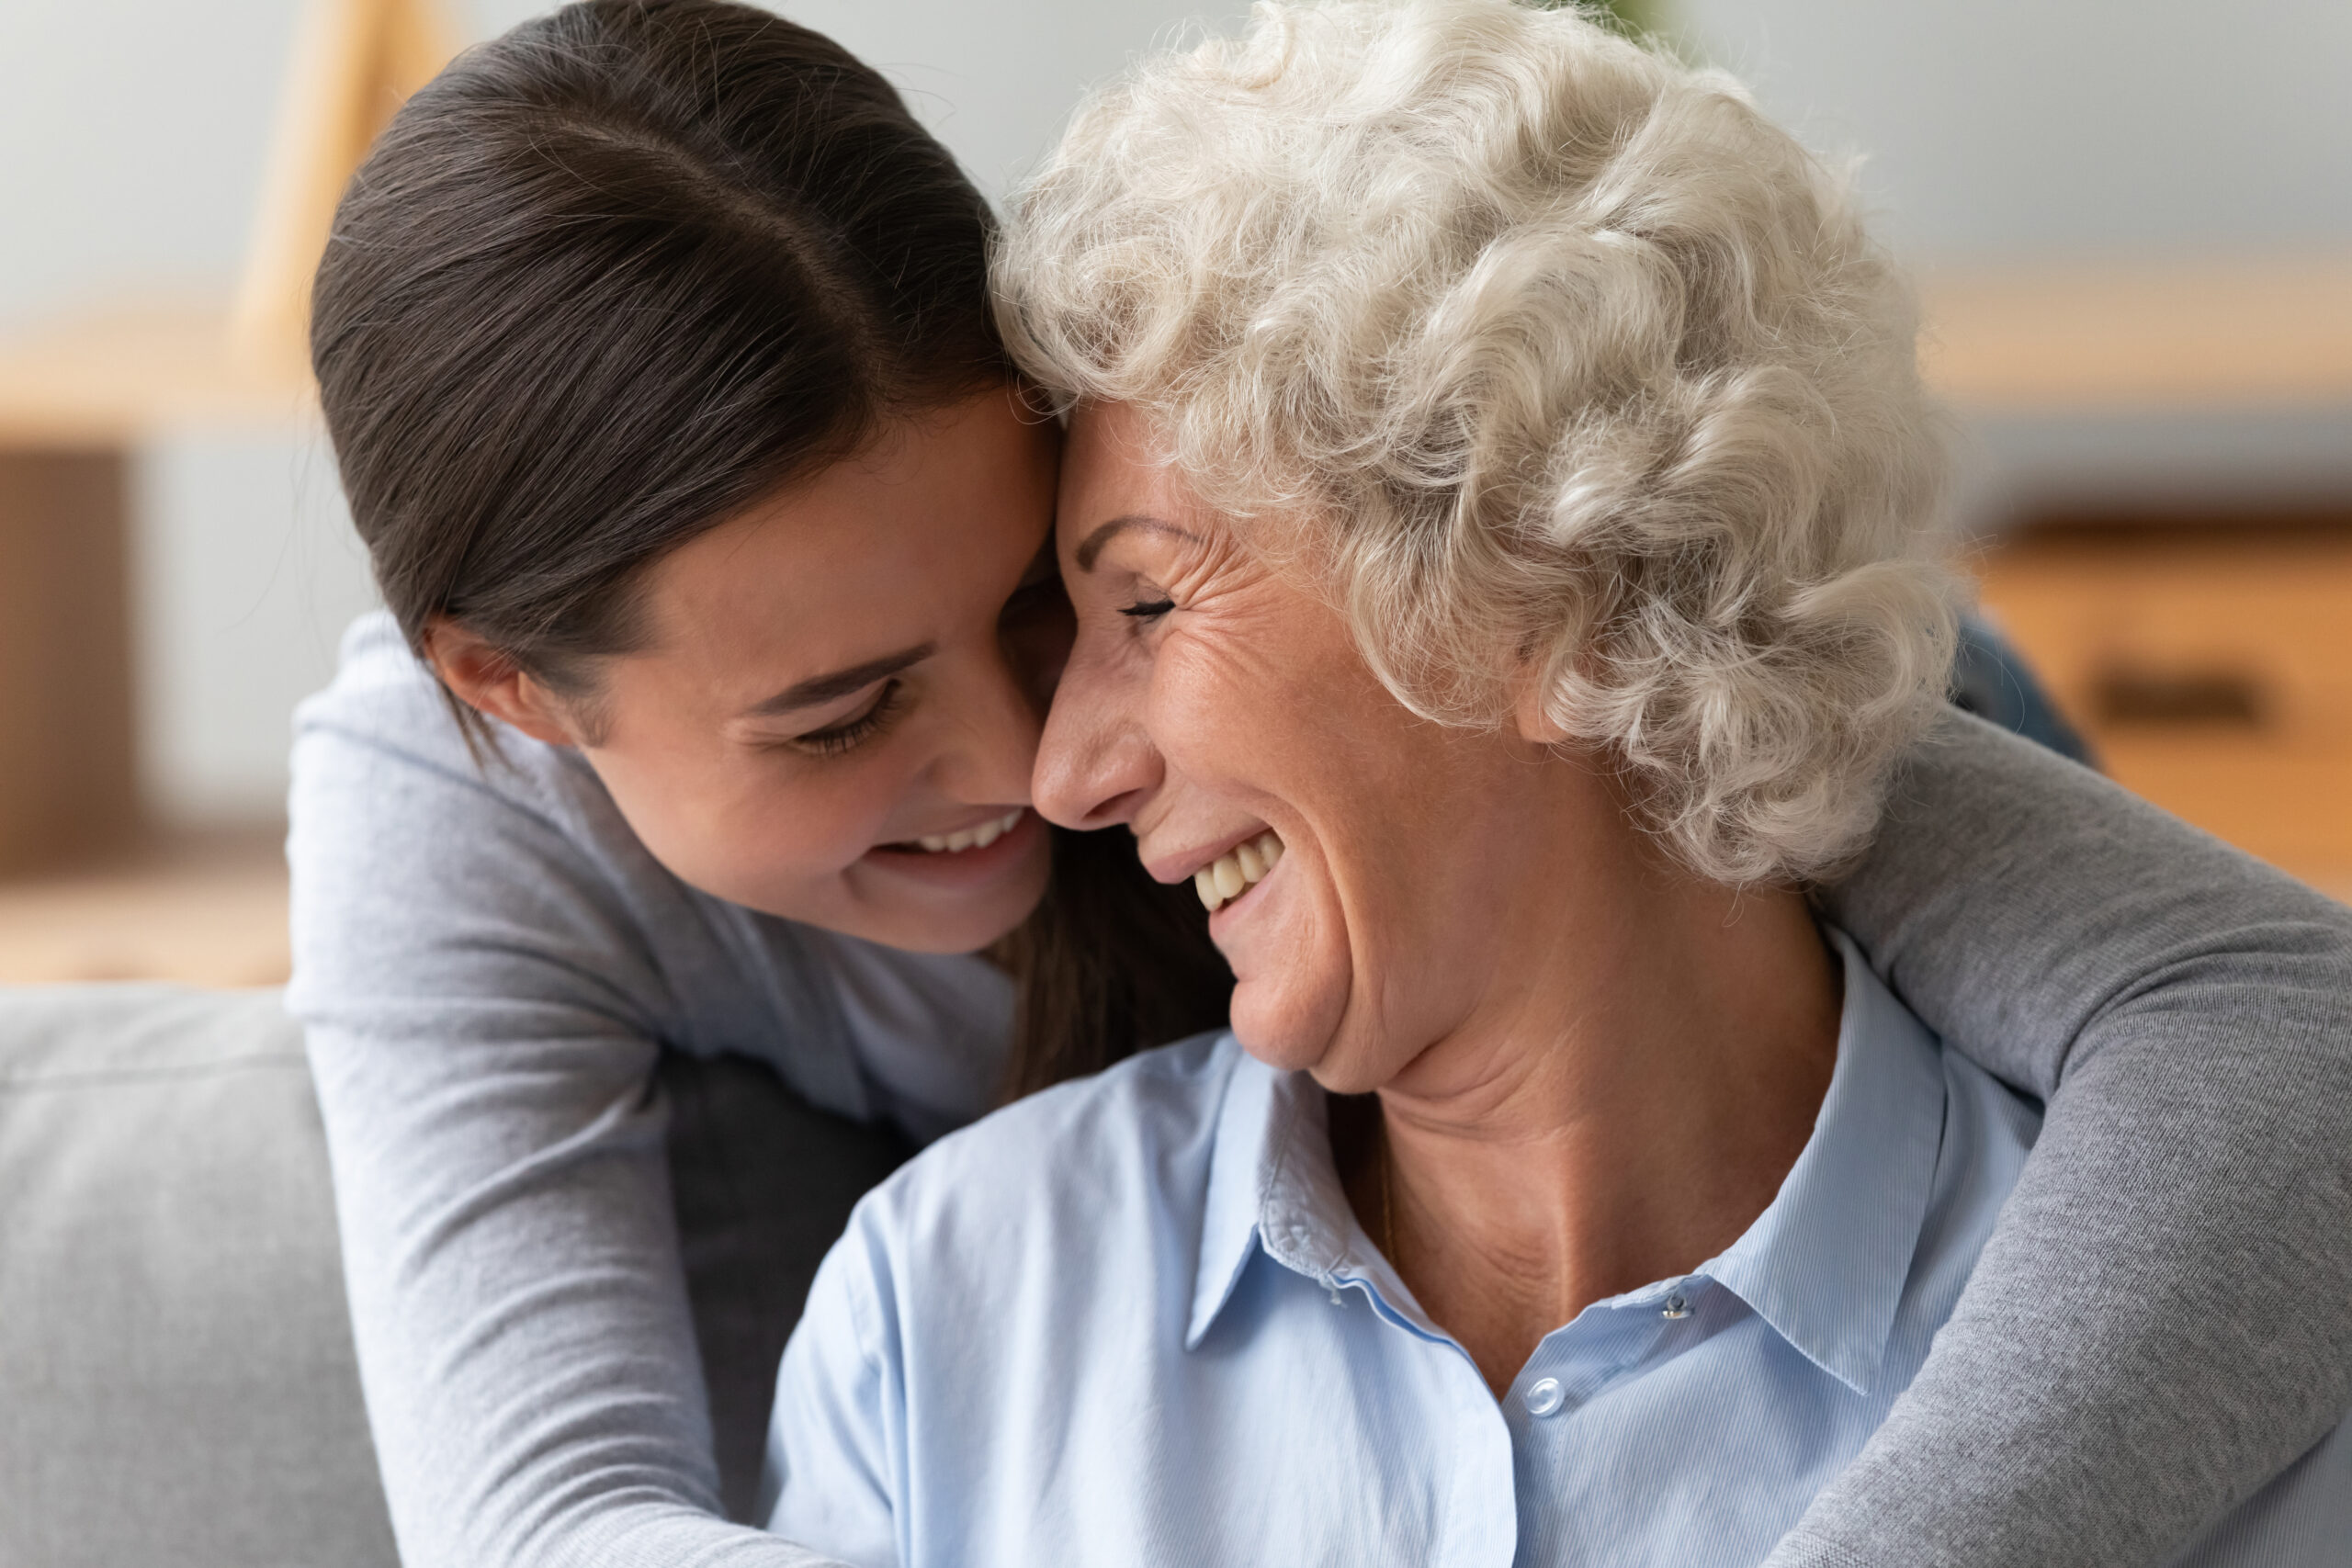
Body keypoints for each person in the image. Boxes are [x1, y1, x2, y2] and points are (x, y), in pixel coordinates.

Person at [288, 3, 2352, 1566]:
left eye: (1056, 599)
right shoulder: (934, 1299)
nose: (1041, 764)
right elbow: (548, 1518)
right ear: (517, 695)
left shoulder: (1657, 641)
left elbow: (2279, 1031)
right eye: (836, 714)